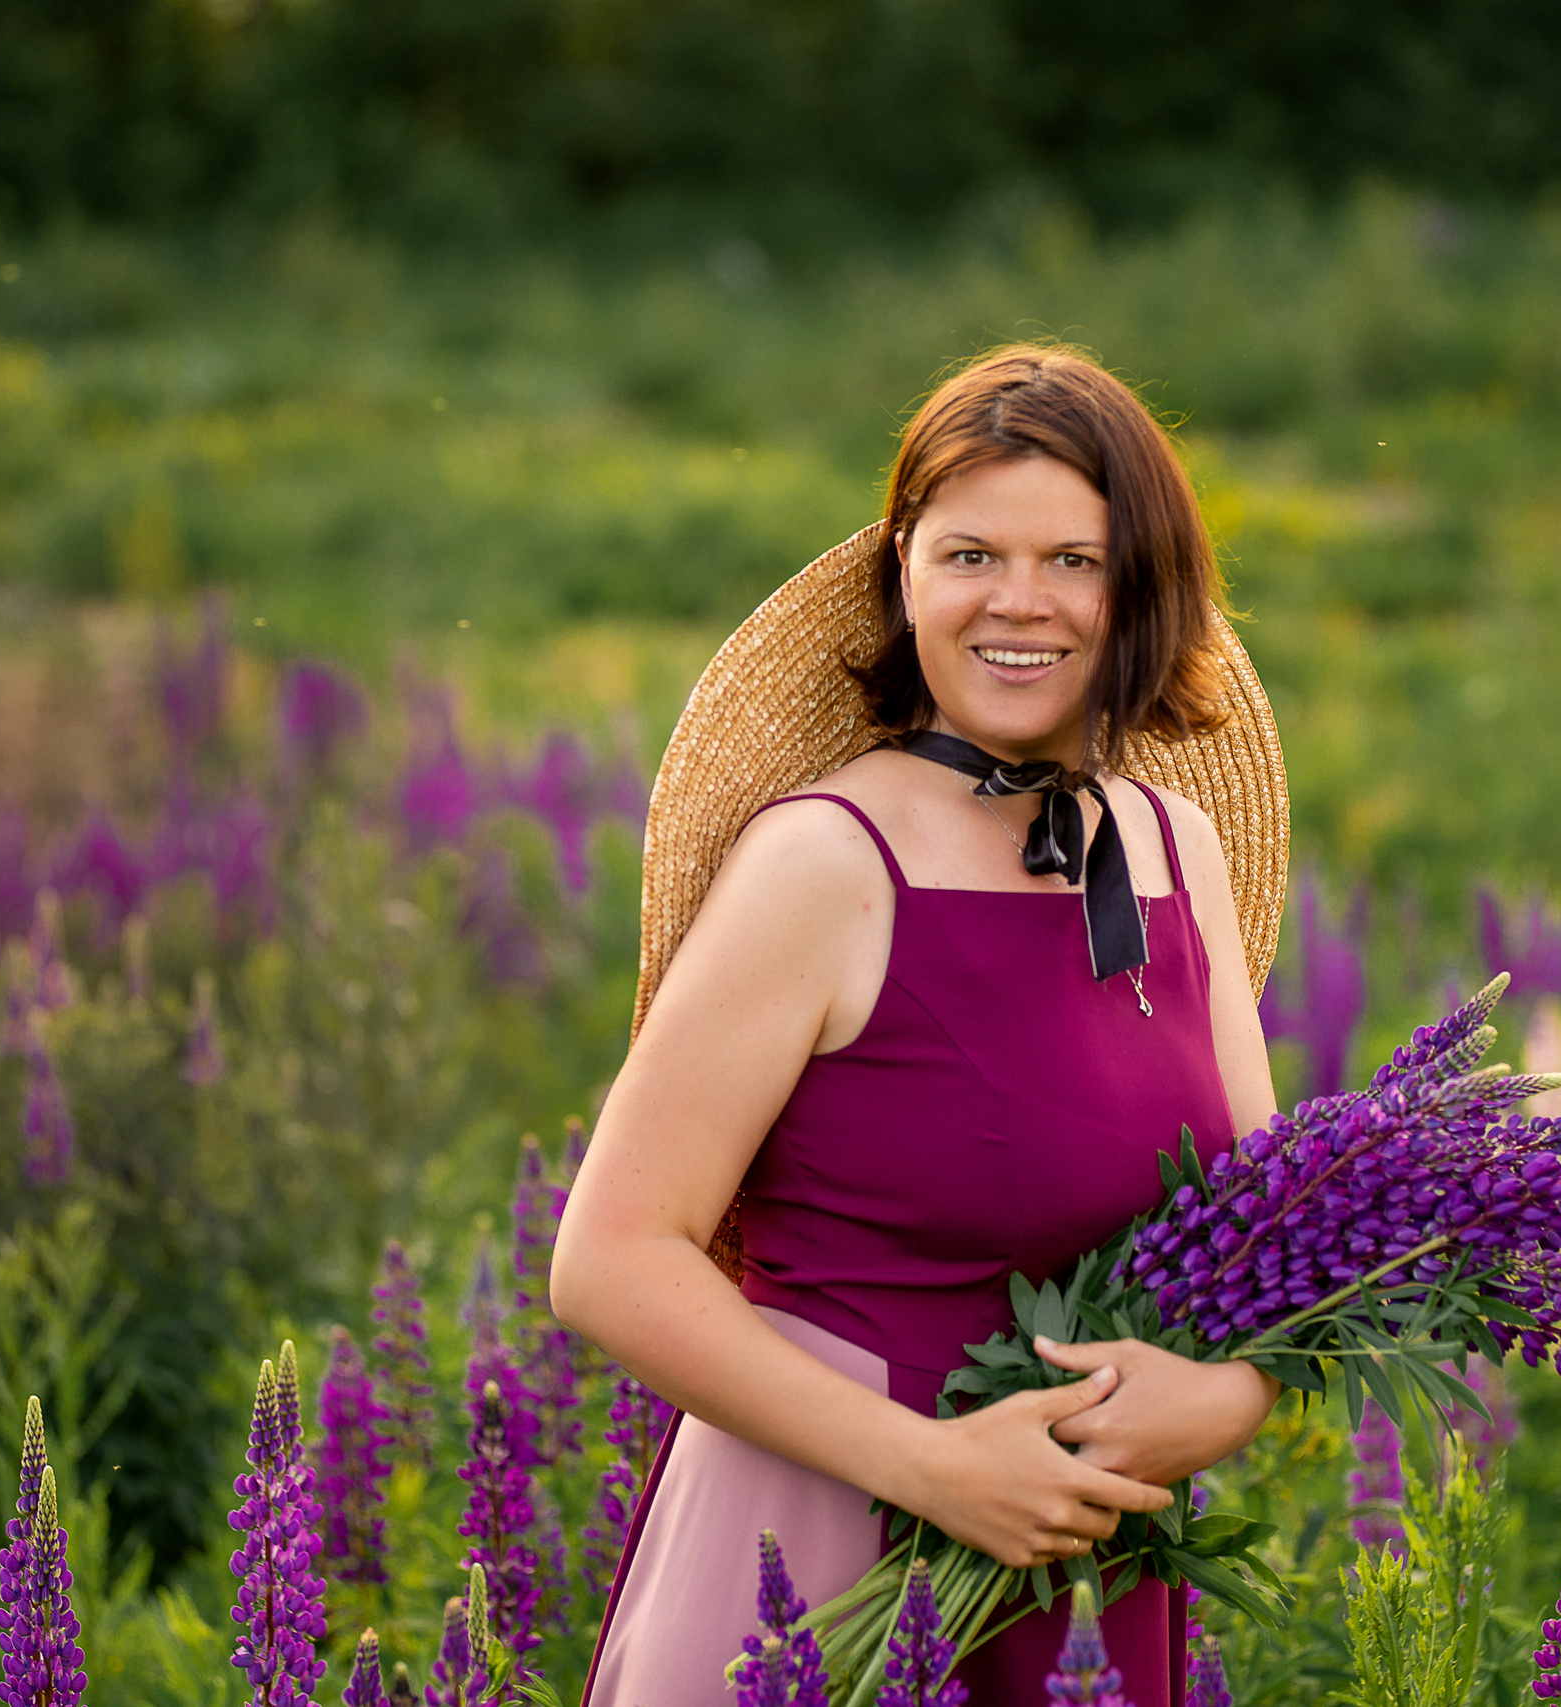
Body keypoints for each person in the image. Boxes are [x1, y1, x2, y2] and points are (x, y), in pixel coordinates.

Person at [553, 344, 1296, 1707]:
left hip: (1080, 1573)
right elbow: (608, 1261)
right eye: (971, 555)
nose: (1022, 603)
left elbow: (1268, 1253)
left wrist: (1227, 1400)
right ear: (904, 575)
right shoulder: (822, 866)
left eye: (1076, 559)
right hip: (821, 1565)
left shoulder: (1179, 853)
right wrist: (936, 1469)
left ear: (1145, 588)